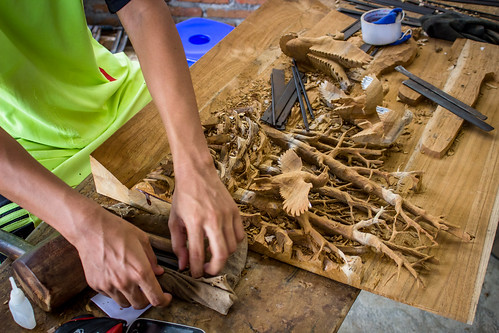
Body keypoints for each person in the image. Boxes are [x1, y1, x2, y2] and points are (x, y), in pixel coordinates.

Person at [0, 0, 245, 310]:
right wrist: (85, 226)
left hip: (110, 92)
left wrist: (196, 165)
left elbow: (142, 10)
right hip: (24, 150)